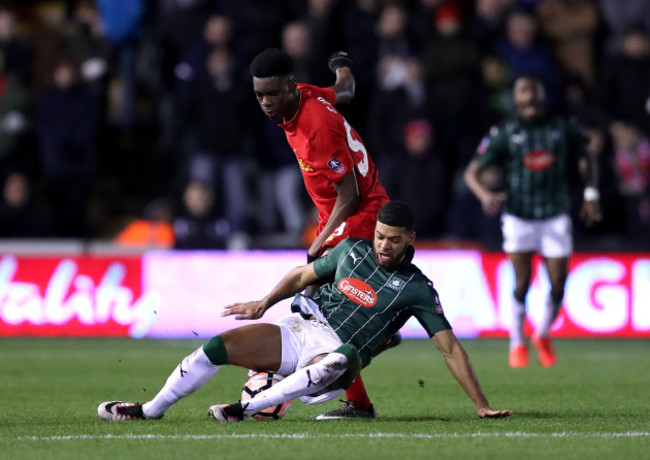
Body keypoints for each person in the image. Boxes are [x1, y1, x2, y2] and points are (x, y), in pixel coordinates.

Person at [98, 201, 512, 422]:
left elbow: (451, 349)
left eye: (394, 240)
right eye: (380, 236)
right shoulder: (351, 251)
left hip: (334, 359)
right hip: (301, 328)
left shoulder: (418, 288)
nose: (384, 245)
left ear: (410, 240)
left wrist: (480, 403)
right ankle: (148, 411)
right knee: (215, 347)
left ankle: (243, 409)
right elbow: (301, 276)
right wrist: (264, 302)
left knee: (346, 355)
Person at [248, 48, 391, 420]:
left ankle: (373, 347)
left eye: (272, 94)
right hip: (340, 213)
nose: (265, 102)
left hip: (359, 214)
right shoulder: (306, 95)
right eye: (260, 95)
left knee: (319, 310)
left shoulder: (315, 130)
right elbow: (344, 90)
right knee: (315, 310)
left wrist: (319, 240)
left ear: (290, 87)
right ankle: (377, 338)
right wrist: (341, 63)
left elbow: (351, 194)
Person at [463, 74, 601, 368]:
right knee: (522, 281)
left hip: (555, 214)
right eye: (523, 93)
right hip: (519, 216)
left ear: (542, 96)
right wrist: (484, 194)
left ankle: (541, 333)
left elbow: (587, 155)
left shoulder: (562, 127)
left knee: (559, 283)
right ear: (516, 98)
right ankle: (516, 343)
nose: (528, 98)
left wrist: (590, 193)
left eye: (533, 92)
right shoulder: (505, 131)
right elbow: (472, 172)